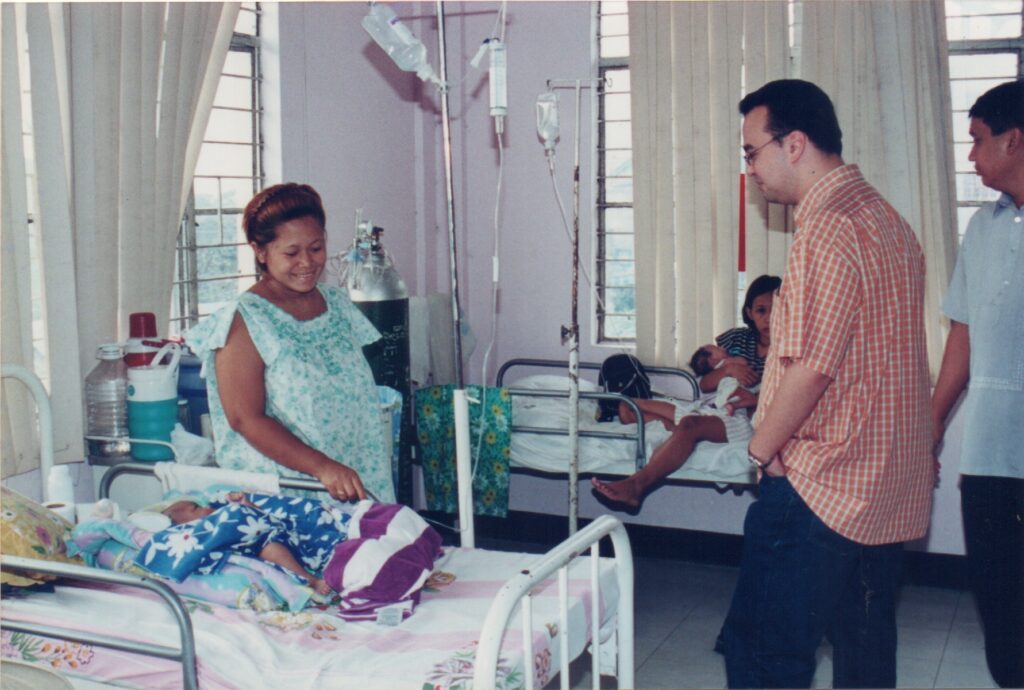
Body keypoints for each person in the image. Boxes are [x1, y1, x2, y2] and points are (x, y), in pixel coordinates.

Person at [720, 80, 933, 689]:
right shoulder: (888, 221)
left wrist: (761, 451)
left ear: (794, 143)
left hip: (821, 486)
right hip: (882, 488)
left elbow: (813, 366)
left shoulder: (827, 227)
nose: (750, 170)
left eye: (752, 152)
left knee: (764, 652)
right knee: (864, 655)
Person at [186, 183, 395, 504]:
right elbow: (245, 419)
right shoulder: (244, 320)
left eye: (315, 248)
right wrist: (322, 467)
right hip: (289, 490)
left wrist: (341, 469)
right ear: (260, 251)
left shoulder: (337, 305)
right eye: (291, 252)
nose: (307, 262)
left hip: (353, 476)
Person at [930, 79, 1023, 689]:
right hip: (991, 456)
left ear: (1014, 140)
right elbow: (961, 336)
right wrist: (930, 424)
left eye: (978, 141)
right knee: (1001, 605)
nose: (970, 156)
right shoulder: (983, 229)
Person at [590, 276, 780, 509]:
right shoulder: (738, 339)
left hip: (743, 418)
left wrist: (757, 399)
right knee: (628, 407)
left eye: (777, 310)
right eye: (761, 310)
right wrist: (729, 369)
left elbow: (795, 393)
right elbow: (705, 385)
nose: (769, 318)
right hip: (713, 407)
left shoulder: (790, 346)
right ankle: (679, 436)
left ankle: (636, 486)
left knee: (691, 423)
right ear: (749, 312)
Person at [163, 494, 332, 595]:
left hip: (285, 532)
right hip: (266, 544)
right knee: (271, 550)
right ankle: (311, 580)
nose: (206, 506)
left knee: (311, 527)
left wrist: (246, 505)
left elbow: (260, 516)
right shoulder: (207, 533)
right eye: (197, 508)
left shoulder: (224, 509)